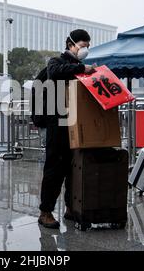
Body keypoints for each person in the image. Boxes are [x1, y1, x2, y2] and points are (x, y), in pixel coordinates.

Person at [38, 29, 95, 229]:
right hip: (57, 123)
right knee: (55, 168)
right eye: (82, 45)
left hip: (76, 124)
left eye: (87, 46)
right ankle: (45, 211)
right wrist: (82, 69)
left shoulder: (79, 67)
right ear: (70, 44)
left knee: (74, 169)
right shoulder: (56, 62)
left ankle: (71, 208)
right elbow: (55, 73)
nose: (85, 49)